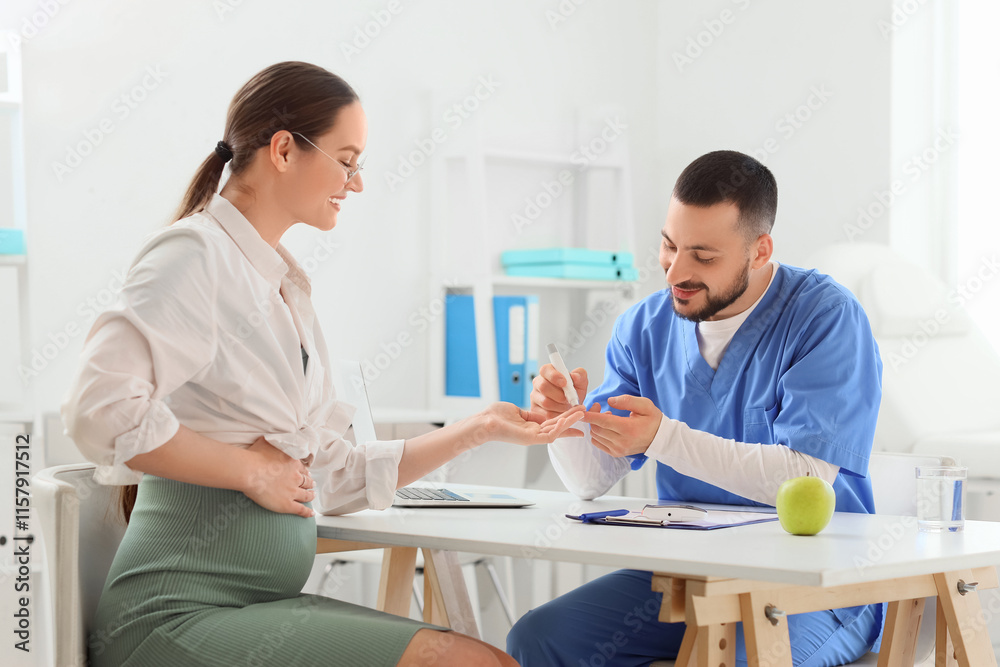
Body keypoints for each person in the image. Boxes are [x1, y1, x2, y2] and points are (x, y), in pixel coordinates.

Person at [60, 61, 582, 667]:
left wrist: (480, 428)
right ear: (283, 150)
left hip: (251, 611)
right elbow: (99, 411)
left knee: (485, 657)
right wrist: (250, 473)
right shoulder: (194, 255)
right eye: (347, 159)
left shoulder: (285, 286)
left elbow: (329, 475)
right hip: (172, 618)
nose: (356, 183)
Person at [505, 150, 885, 666]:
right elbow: (590, 482)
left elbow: (807, 476)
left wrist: (663, 439)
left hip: (816, 581)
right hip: (691, 577)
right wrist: (565, 425)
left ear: (759, 250)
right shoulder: (644, 326)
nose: (676, 272)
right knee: (540, 637)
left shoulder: (825, 318)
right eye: (669, 245)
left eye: (704, 257)